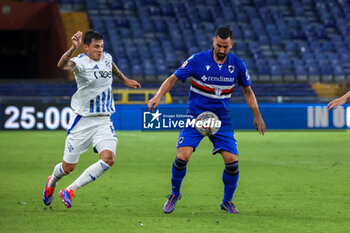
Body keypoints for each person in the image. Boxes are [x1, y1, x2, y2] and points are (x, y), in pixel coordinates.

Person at [148, 27, 266, 214]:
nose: (221, 50)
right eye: (219, 45)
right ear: (213, 42)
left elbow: (248, 91)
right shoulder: (197, 60)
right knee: (182, 156)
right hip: (196, 116)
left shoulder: (238, 65)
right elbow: (173, 79)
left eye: (225, 47)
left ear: (231, 45)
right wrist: (157, 96)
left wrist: (257, 114)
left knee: (232, 161)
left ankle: (227, 201)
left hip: (221, 119)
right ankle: (174, 194)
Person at [42, 30, 141, 208]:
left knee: (109, 158)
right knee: (67, 168)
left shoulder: (106, 58)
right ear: (86, 47)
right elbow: (61, 65)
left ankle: (70, 190)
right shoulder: (80, 63)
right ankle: (51, 183)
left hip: (104, 120)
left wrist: (125, 80)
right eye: (96, 47)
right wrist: (72, 48)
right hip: (83, 121)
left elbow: (111, 66)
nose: (100, 50)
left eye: (102, 46)